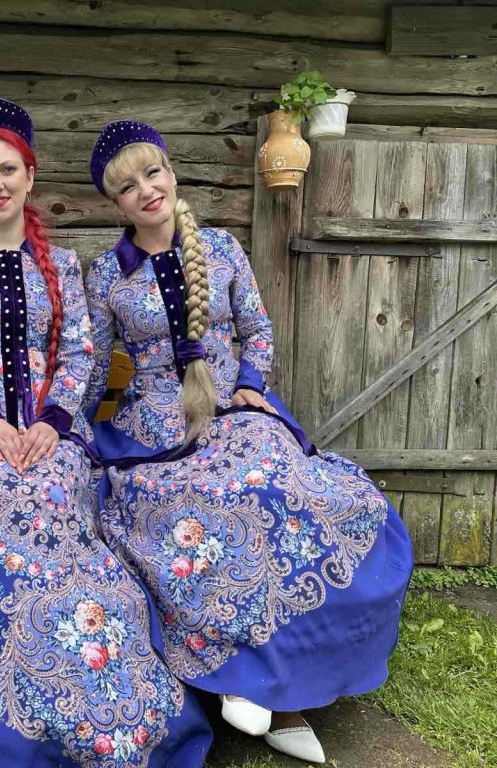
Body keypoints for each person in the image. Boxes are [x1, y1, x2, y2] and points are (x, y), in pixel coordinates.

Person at [0, 98, 211, 768]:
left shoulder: (61, 264)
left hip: (49, 432)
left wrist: (54, 424)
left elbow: (81, 352)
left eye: (8, 170)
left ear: (30, 176)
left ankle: (80, 676)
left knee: (53, 499)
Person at [83, 120, 413, 764]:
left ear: (170, 173)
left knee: (275, 492)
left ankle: (286, 685)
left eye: (152, 172)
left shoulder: (222, 249)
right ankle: (244, 678)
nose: (145, 190)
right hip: (156, 428)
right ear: (115, 204)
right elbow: (94, 367)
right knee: (198, 510)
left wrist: (252, 386)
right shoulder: (107, 275)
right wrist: (63, 428)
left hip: (236, 410)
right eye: (126, 187)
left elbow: (257, 331)